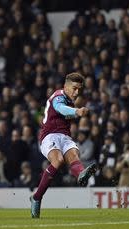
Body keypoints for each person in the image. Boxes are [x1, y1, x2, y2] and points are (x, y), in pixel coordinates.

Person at [30, 72, 97, 218]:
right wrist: (77, 111)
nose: (77, 92)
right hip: (49, 136)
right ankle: (36, 197)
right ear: (65, 86)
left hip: (65, 136)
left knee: (74, 155)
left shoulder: (70, 101)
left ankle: (81, 174)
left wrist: (76, 110)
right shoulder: (58, 96)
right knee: (58, 160)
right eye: (74, 88)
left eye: (79, 89)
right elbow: (60, 108)